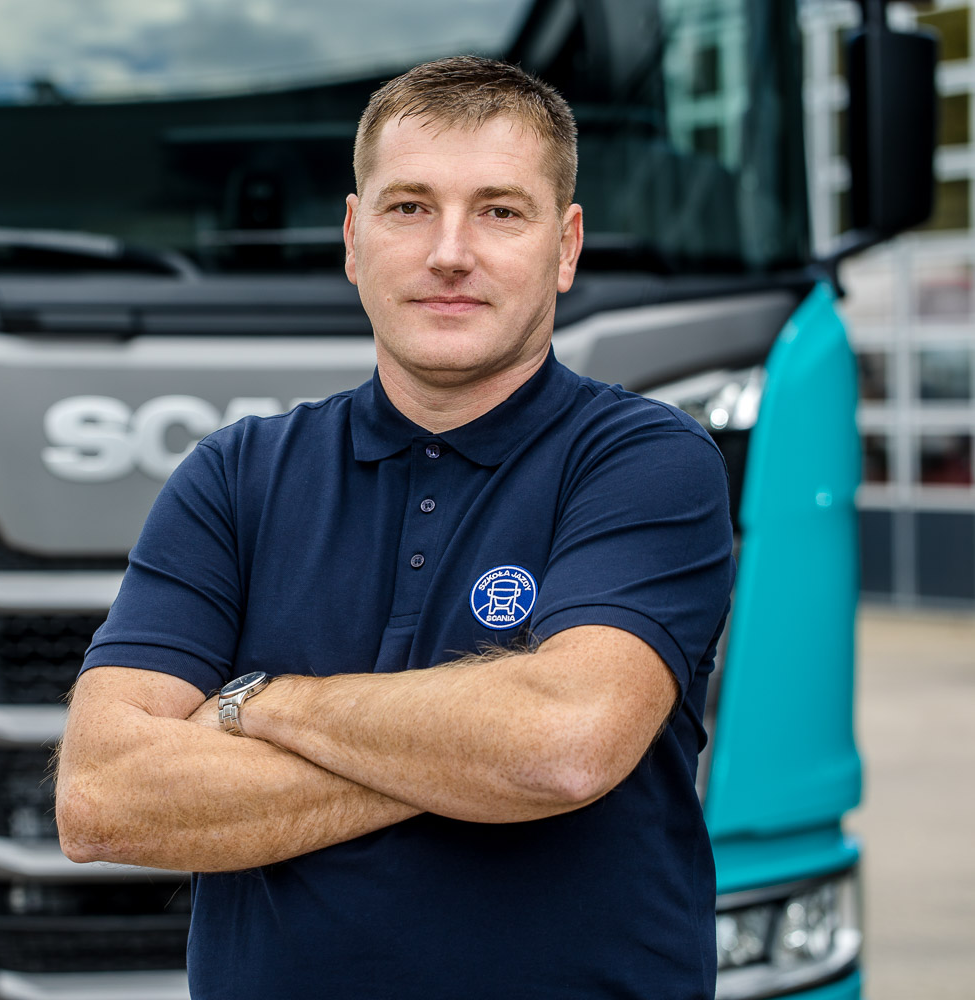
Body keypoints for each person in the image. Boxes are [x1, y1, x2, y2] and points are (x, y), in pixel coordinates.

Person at [55, 55, 733, 1000]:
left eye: (500, 211)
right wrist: (471, 757)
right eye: (409, 207)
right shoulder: (235, 476)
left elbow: (561, 744)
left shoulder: (645, 461)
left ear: (566, 246)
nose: (450, 252)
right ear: (353, 237)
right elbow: (101, 798)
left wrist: (260, 705)